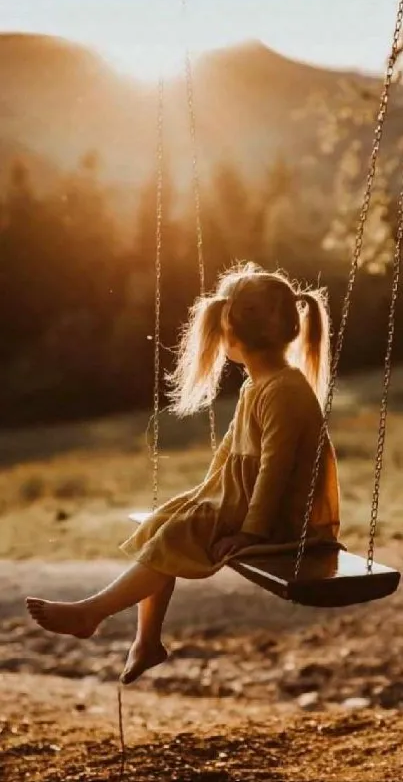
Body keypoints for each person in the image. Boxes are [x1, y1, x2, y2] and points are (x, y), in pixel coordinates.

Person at [26, 263, 340, 685]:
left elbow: (276, 469)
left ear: (230, 334)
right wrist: (205, 495)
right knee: (169, 522)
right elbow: (232, 450)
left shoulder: (283, 390)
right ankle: (147, 641)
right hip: (249, 506)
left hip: (282, 522)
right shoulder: (259, 384)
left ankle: (92, 612)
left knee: (177, 535)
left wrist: (251, 533)